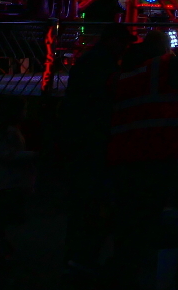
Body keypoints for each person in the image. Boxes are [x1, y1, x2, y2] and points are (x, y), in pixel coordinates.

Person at [107, 34, 178, 289]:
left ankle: (124, 273)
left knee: (129, 222)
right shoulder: (161, 68)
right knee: (162, 220)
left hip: (124, 157)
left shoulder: (122, 77)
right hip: (157, 153)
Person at [59, 23, 134, 274]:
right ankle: (83, 256)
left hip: (85, 135)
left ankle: (79, 254)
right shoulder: (104, 65)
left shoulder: (92, 60)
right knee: (93, 198)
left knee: (86, 198)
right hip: (93, 137)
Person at [0, 96, 36, 262]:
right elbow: (8, 155)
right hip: (9, 182)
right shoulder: (10, 133)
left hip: (4, 182)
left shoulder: (3, 133)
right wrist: (32, 156)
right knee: (2, 216)